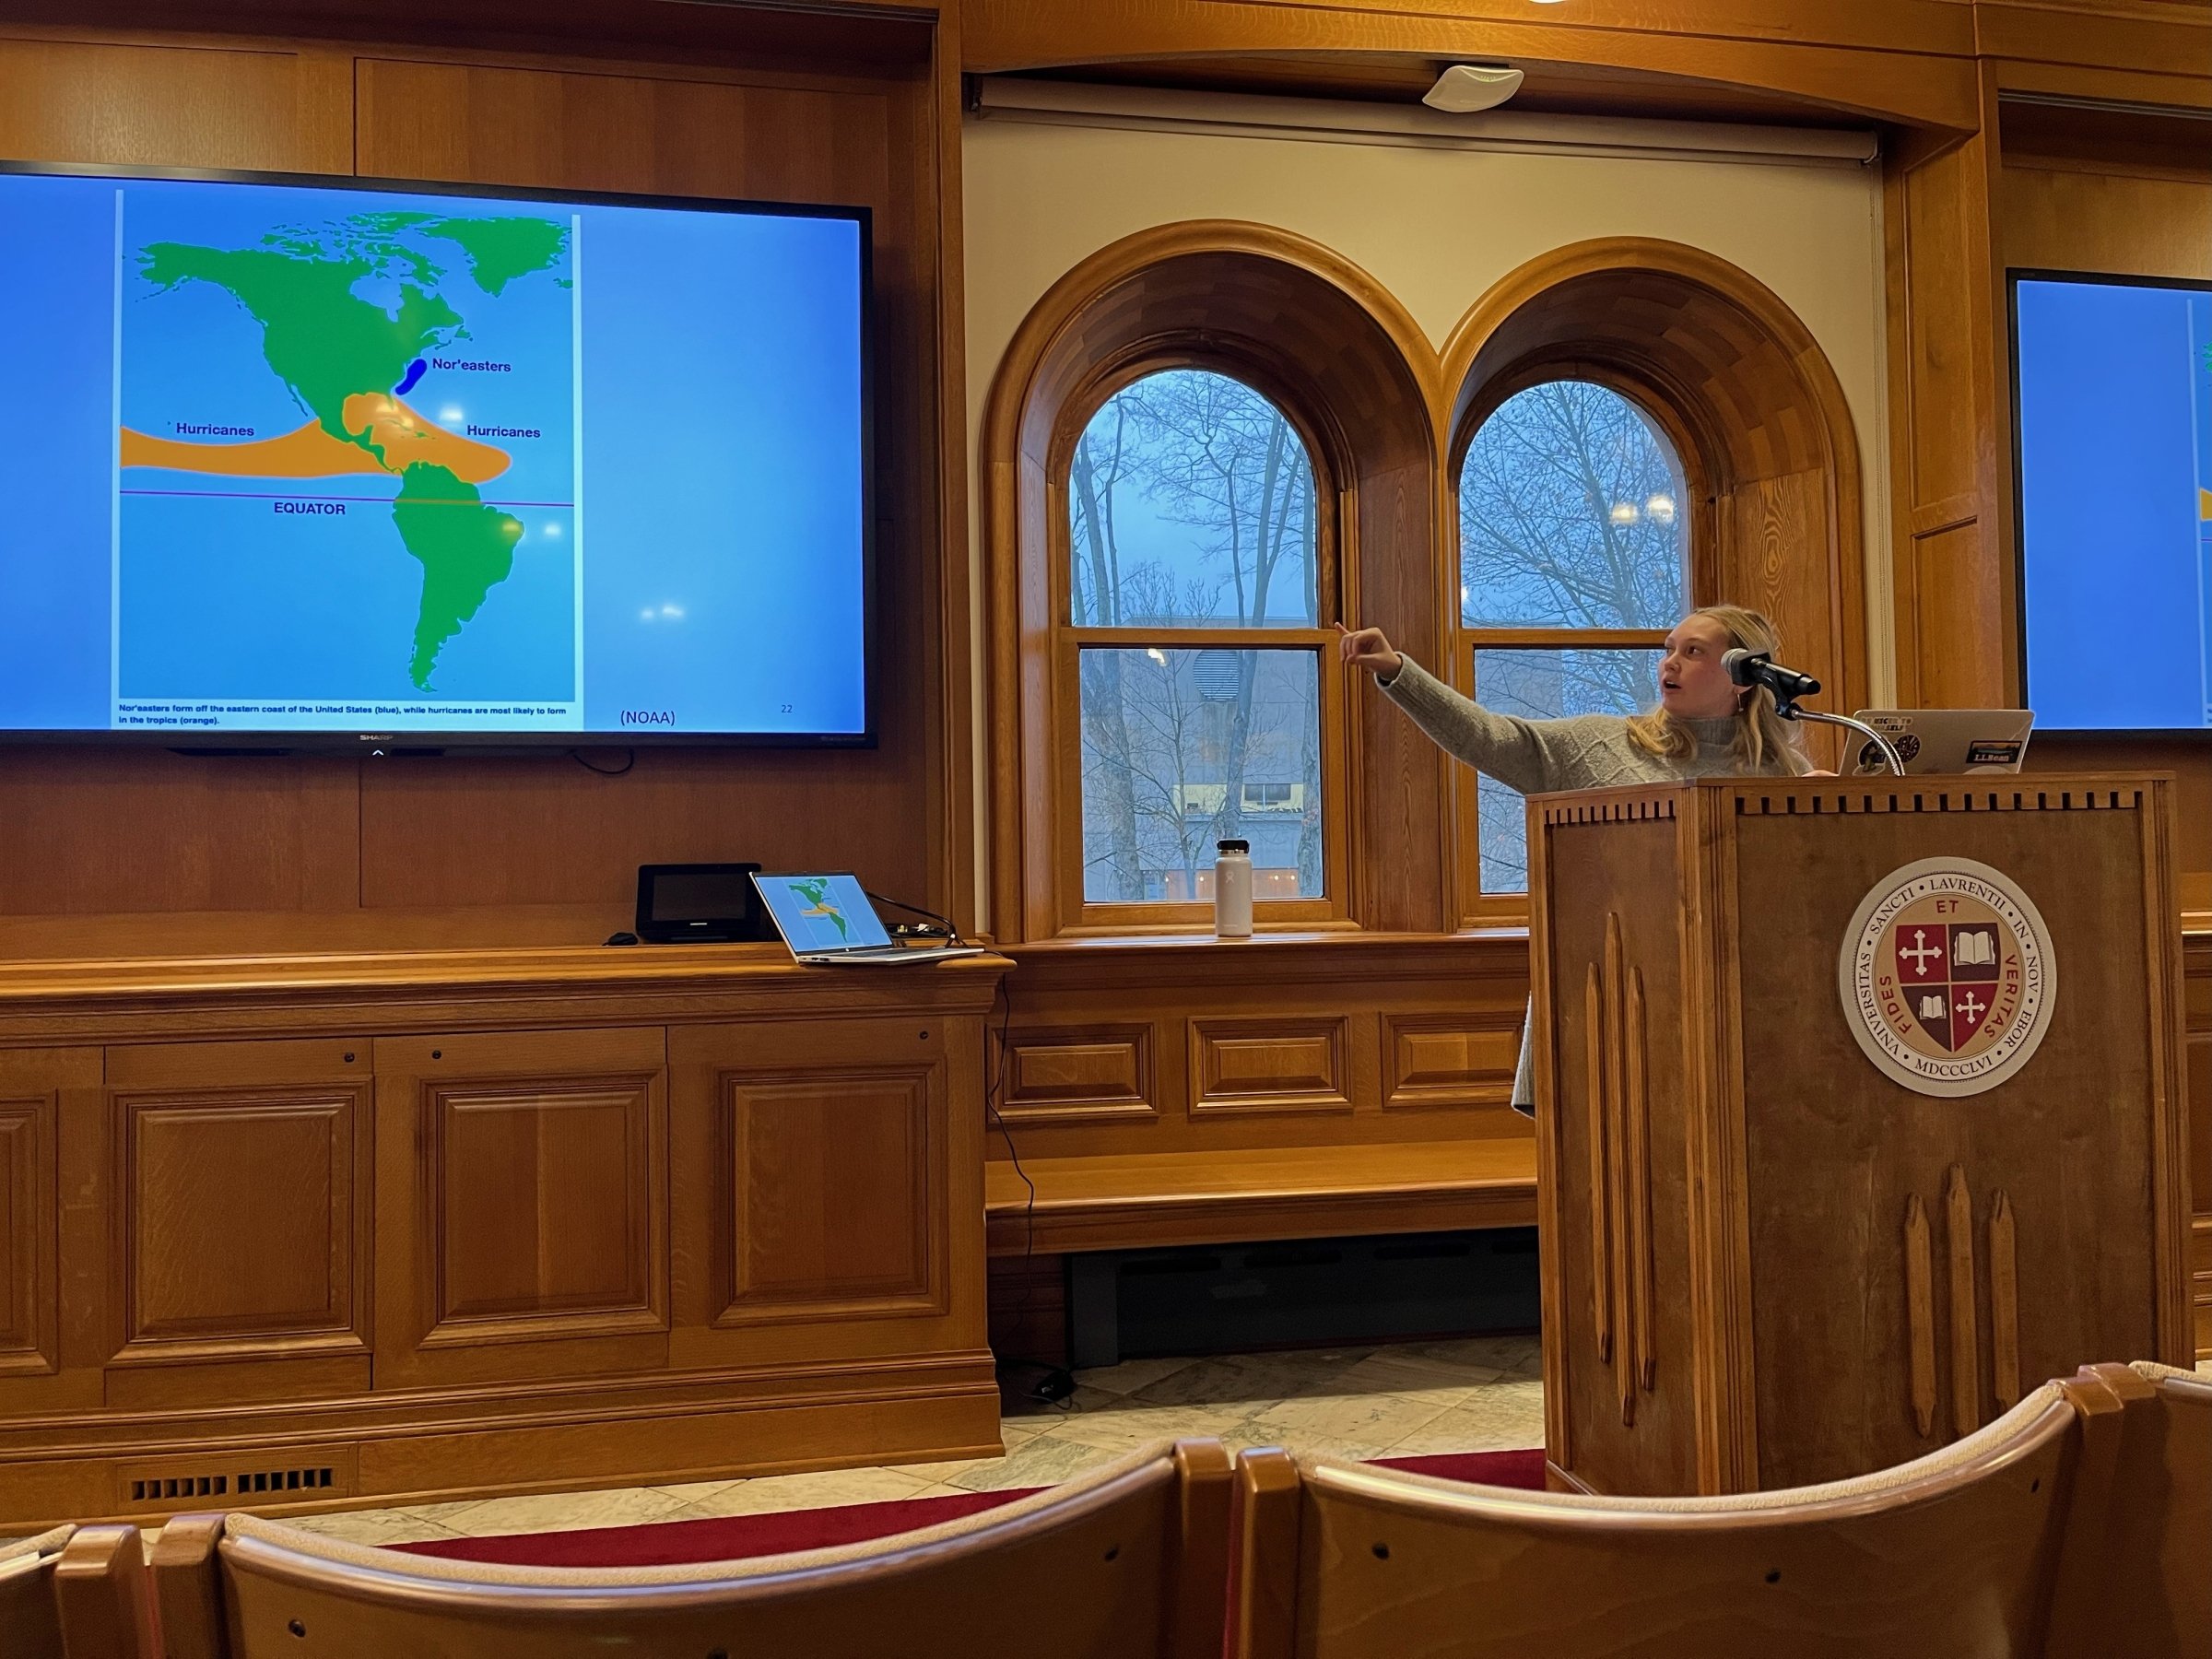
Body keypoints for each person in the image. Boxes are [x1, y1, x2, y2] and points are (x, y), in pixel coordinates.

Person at [1336, 604, 1816, 1115]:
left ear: (1743, 677)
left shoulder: (1785, 777)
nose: (1669, 663)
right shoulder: (1605, 746)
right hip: (1613, 1010)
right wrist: (1398, 671)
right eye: (1669, 650)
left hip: (1738, 1018)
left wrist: (1821, 813)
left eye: (1693, 652)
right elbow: (1488, 736)